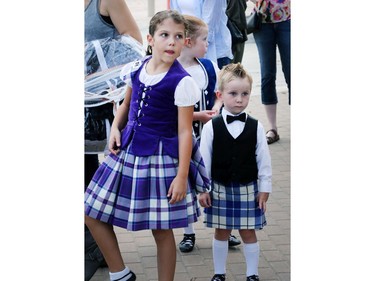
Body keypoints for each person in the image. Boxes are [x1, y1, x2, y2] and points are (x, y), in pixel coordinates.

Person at [84, 10, 210, 281]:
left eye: (179, 37)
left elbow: (185, 131)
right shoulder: (137, 68)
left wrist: (181, 176)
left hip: (162, 158)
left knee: (161, 229)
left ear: (185, 43)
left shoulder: (183, 83)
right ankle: (120, 274)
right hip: (127, 151)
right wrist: (115, 128)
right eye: (165, 35)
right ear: (151, 39)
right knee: (91, 212)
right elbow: (125, 105)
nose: (171, 42)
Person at [84, 0, 142, 280]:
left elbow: (135, 46)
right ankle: (97, 250)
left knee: (89, 183)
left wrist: (93, 75)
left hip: (99, 104)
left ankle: (98, 252)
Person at [198, 63, 272, 281]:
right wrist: (203, 189)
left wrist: (264, 188)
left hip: (248, 187)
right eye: (233, 94)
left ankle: (252, 274)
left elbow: (264, 160)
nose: (239, 99)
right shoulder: (211, 126)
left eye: (245, 94)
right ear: (220, 94)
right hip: (219, 188)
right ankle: (219, 273)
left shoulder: (256, 126)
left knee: (248, 232)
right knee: (221, 231)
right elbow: (204, 160)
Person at [251, 0, 291, 144]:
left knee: (292, 72)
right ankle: (272, 128)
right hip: (262, 23)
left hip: (288, 20)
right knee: (267, 75)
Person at [170, 0, 233, 69]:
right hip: (187, 50)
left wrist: (192, 44)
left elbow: (210, 26)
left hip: (213, 51)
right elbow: (176, 18)